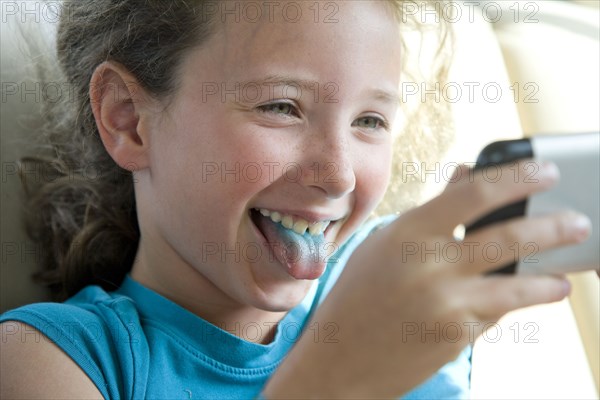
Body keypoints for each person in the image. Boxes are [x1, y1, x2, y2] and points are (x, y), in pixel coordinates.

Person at [0, 1, 590, 398]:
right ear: (128, 120)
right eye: (281, 107)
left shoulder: (404, 303)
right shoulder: (53, 360)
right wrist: (337, 377)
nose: (338, 177)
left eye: (369, 120)